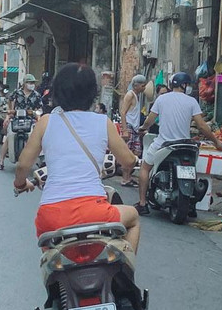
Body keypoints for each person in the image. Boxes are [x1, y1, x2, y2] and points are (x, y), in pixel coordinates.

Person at [14, 63, 141, 250]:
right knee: (134, 218)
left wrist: (20, 184)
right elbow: (129, 161)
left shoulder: (46, 122)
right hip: (94, 212)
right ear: (92, 93)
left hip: (51, 216)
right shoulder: (103, 122)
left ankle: (56, 280)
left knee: (50, 259)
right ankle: (125, 274)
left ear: (58, 91)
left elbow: (23, 165)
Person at [136, 72, 222, 215]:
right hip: (185, 145)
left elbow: (150, 120)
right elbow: (202, 125)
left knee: (145, 168)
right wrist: (217, 142)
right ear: (184, 85)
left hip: (163, 143)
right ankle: (191, 204)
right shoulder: (192, 101)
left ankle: (142, 203)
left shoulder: (162, 99)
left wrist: (143, 128)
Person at [0, 74, 43, 170]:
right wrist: (9, 115)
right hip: (16, 119)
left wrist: (37, 115)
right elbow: (10, 101)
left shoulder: (37, 95)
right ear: (24, 84)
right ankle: (1, 161)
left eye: (33, 83)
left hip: (30, 120)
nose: (32, 84)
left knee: (37, 139)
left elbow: (39, 108)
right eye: (30, 82)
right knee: (9, 137)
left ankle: (40, 161)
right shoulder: (17, 93)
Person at [117, 74, 148, 188]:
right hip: (129, 127)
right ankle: (125, 179)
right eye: (143, 85)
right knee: (128, 154)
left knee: (136, 153)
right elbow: (123, 112)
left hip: (134, 128)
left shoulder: (136, 95)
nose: (144, 88)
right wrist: (124, 130)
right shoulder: (130, 95)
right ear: (137, 85)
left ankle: (128, 177)